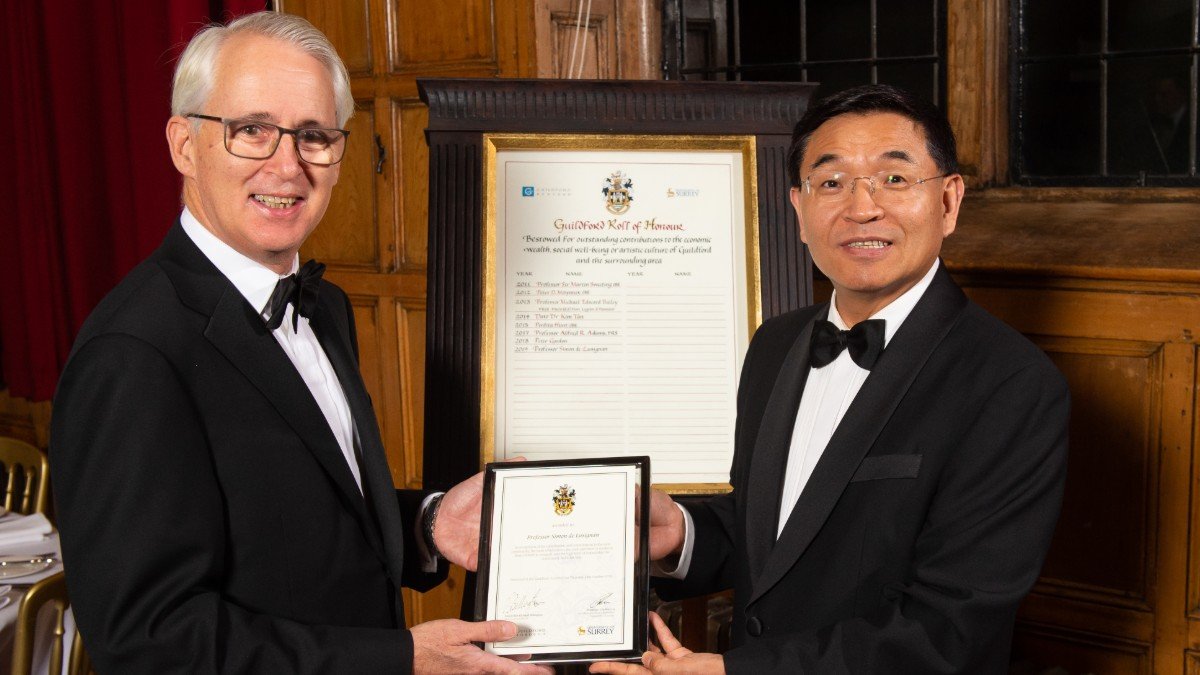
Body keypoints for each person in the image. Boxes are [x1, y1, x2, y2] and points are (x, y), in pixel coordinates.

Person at [49, 12, 549, 674]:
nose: (287, 166)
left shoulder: (325, 306)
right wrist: (400, 656)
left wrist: (428, 526)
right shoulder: (134, 353)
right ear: (184, 145)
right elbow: (151, 641)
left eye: (313, 136)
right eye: (252, 130)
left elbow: (295, 528)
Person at [593, 84, 1070, 674]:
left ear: (948, 202)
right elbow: (786, 534)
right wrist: (684, 533)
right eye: (831, 181)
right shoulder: (775, 343)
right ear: (798, 208)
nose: (861, 207)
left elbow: (953, 630)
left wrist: (733, 672)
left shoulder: (1012, 384)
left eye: (894, 179)